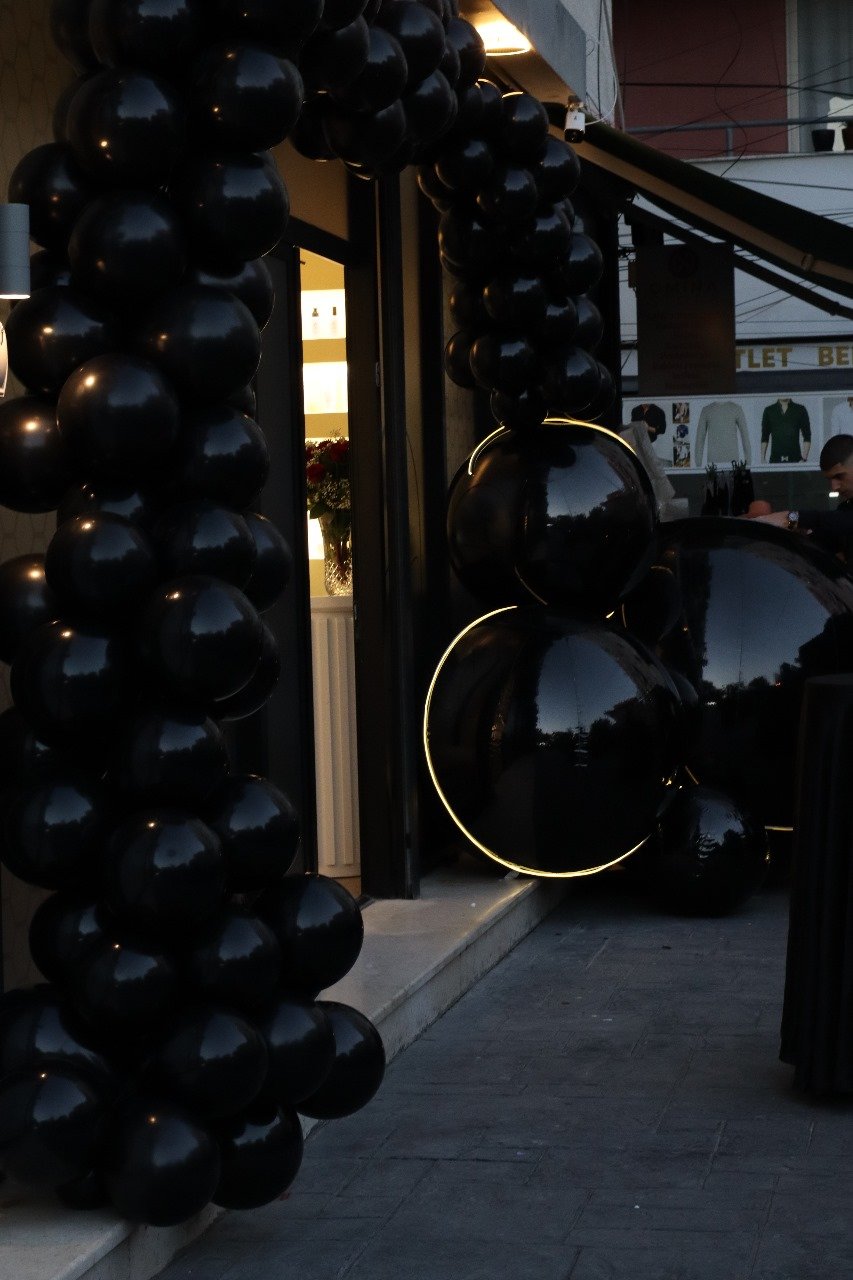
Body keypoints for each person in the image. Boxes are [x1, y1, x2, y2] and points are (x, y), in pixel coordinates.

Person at [752, 433, 853, 564]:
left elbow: (831, 520)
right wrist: (792, 531)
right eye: (830, 479)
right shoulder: (845, 510)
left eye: (839, 476)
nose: (834, 486)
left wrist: (792, 518)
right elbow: (821, 542)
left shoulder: (844, 517)